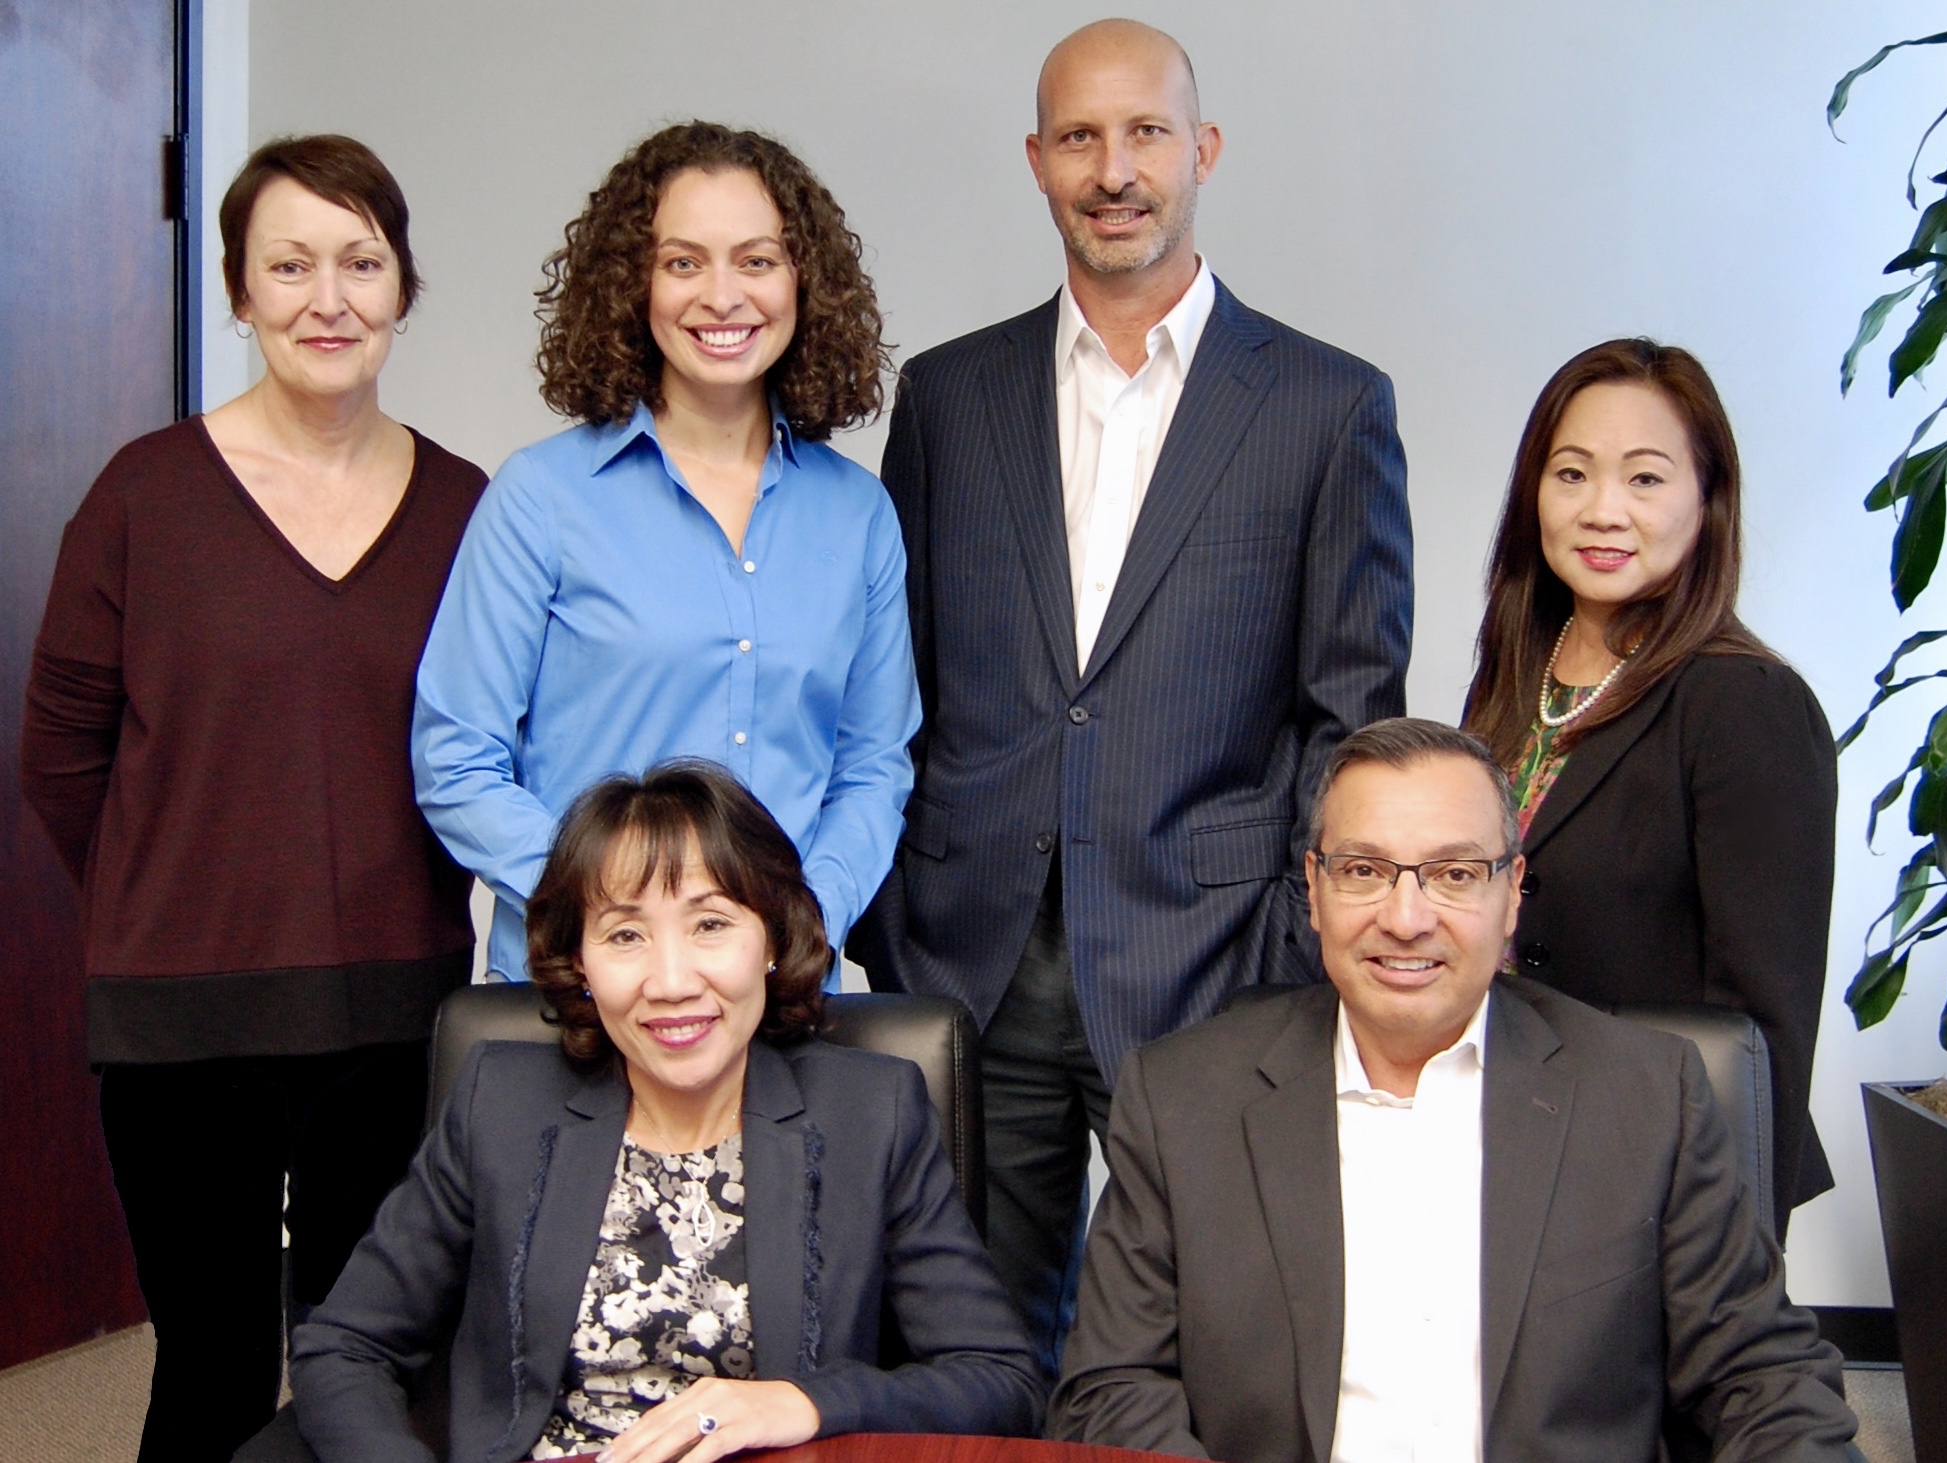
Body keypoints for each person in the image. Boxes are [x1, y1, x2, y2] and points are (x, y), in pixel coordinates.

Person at [848, 18, 1413, 1370]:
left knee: (1218, 1344)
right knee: (979, 1349)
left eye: (1145, 132)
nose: (1114, 168)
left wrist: (1291, 936)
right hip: (974, 955)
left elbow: (1350, 716)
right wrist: (895, 913)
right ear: (1036, 161)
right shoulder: (944, 395)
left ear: (1200, 151)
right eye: (1080, 137)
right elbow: (889, 675)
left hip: (1212, 952)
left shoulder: (1325, 406)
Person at [18, 135, 483, 1461]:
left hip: (397, 1019)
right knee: (213, 1362)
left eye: (358, 261)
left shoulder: (466, 509)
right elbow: (60, 749)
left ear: (401, 287)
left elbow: (497, 738)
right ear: (237, 290)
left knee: (364, 1364)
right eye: (288, 264)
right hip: (181, 1027)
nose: (324, 297)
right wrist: (158, 896)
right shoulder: (142, 495)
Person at [1050, 718, 1857, 1463]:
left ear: (1511, 893)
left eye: (1453, 873)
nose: (1405, 917)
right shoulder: (1181, 1097)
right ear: (1314, 887)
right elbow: (1111, 1385)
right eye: (1364, 869)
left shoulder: (1646, 1094)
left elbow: (1764, 1376)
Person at [290, 763, 1044, 1462]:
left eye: (710, 923)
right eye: (624, 935)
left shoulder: (870, 1111)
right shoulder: (502, 1100)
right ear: (579, 963)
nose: (671, 980)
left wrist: (801, 1402)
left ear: (773, 940)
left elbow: (998, 1379)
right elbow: (345, 1346)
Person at [413, 122, 918, 984]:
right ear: (633, 286)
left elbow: (872, 767)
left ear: (805, 282)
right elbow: (456, 758)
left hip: (779, 999)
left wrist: (800, 923)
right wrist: (615, 920)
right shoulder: (540, 497)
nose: (722, 296)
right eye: (683, 262)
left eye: (756, 261)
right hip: (579, 997)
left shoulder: (857, 513)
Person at [1459, 337, 1835, 1241]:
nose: (1602, 511)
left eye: (1645, 479)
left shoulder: (1745, 705)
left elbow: (1761, 1031)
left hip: (1646, 1183)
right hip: (1501, 1138)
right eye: (1572, 472)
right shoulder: (1513, 683)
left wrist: (1725, 1257)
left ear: (1707, 501)